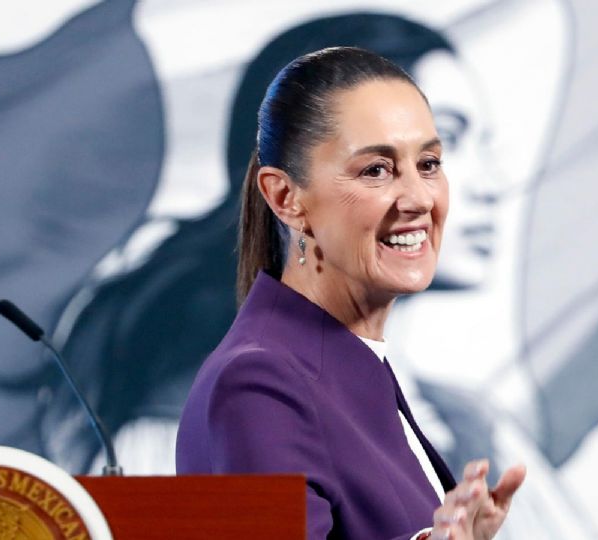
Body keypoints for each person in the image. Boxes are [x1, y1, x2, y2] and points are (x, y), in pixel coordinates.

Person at [175, 46, 526, 540]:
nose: (420, 198)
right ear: (285, 198)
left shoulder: (358, 368)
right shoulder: (259, 384)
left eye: (428, 163)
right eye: (376, 170)